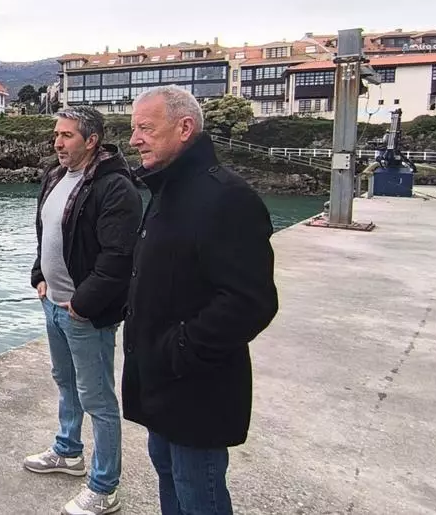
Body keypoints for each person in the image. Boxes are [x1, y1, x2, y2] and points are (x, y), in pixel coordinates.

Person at [123, 85, 278, 515]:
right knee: (169, 478)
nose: (134, 139)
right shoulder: (166, 191)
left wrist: (180, 349)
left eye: (145, 128)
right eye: (134, 129)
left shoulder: (226, 197)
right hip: (159, 381)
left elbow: (250, 301)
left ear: (185, 127)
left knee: (198, 493)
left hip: (196, 387)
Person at [23, 106, 142, 515]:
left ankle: (104, 487)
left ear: (91, 140)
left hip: (84, 313)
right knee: (66, 382)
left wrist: (81, 304)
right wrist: (39, 275)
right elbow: (47, 234)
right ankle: (68, 451)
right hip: (53, 303)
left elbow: (117, 258)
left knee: (98, 399)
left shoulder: (115, 187)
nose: (57, 142)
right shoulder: (55, 176)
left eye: (67, 135)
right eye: (56, 134)